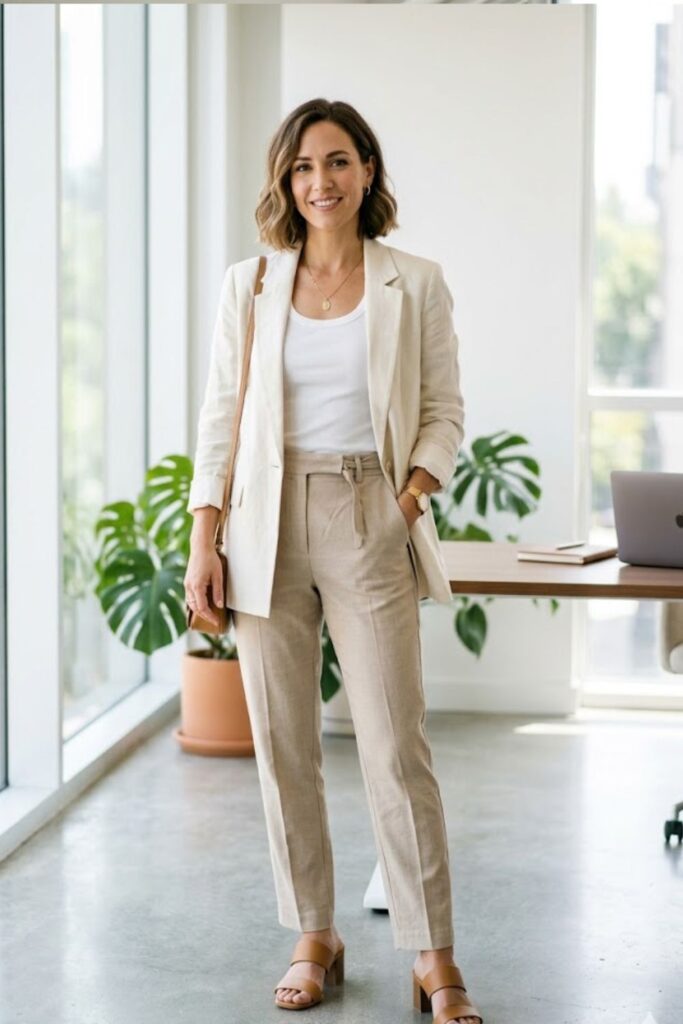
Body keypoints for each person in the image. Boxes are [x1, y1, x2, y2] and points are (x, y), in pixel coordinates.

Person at [184, 98, 482, 1024]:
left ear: (367, 172)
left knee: (397, 746)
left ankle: (433, 954)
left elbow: (442, 413)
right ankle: (314, 932)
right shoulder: (252, 285)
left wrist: (403, 506)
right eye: (306, 166)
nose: (323, 181)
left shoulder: (414, 281)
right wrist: (205, 535)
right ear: (286, 179)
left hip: (370, 512)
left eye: (340, 161)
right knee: (284, 744)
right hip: (263, 521)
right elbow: (221, 416)